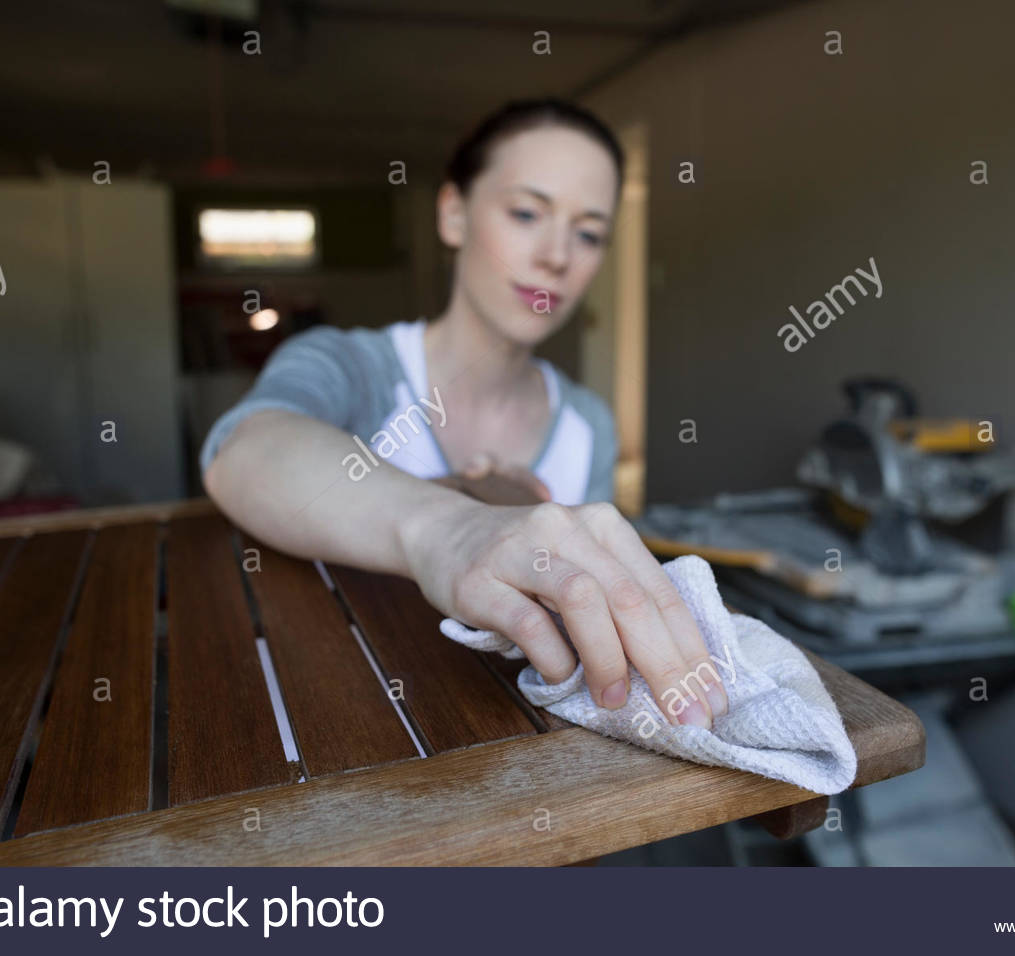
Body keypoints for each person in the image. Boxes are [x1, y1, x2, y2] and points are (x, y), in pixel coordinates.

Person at [201, 98, 727, 730]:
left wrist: (514, 515)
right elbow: (243, 450)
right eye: (527, 212)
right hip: (325, 741)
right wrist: (456, 528)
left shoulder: (588, 425)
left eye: (588, 233)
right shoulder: (349, 366)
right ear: (453, 214)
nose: (557, 256)